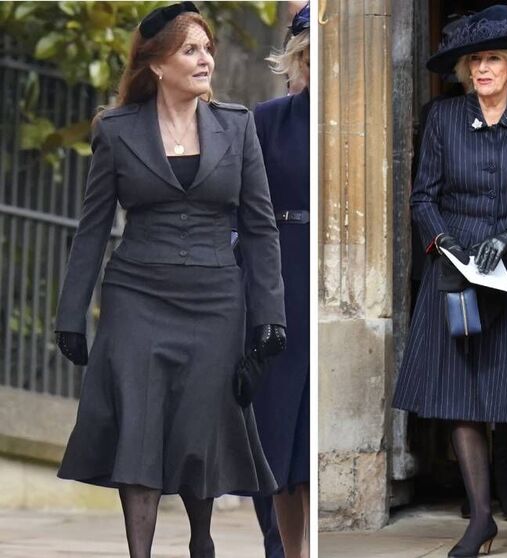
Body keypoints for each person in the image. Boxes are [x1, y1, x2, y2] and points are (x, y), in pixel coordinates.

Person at [53, 3, 286, 556]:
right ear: (157, 65)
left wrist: (269, 317)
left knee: (199, 427)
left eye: (208, 48)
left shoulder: (237, 124)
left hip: (216, 301)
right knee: (138, 428)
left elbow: (259, 227)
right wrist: (70, 315)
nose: (206, 59)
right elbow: (91, 231)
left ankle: (201, 541)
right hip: (136, 295)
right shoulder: (115, 130)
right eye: (191, 50)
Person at [391, 5, 507, 557]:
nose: (484, 68)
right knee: (462, 396)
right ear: (465, 70)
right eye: (475, 60)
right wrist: (447, 243)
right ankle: (480, 519)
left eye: (494, 58)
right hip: (459, 270)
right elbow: (424, 198)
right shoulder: (444, 118)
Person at [249, 4, 311, 558]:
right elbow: (242, 212)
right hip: (278, 273)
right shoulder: (267, 119)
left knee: (310, 434)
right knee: (275, 428)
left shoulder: (359, 124)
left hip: (333, 274)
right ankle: (278, 547)